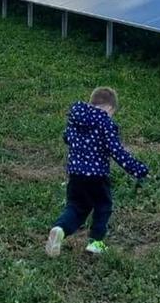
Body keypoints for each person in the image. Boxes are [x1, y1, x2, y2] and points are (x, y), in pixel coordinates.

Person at [45, 87, 149, 256]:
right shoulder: (105, 123)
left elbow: (66, 137)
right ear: (109, 108)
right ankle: (96, 242)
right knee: (103, 206)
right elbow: (117, 151)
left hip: (76, 175)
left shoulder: (76, 119)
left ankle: (60, 229)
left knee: (76, 207)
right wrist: (139, 170)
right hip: (97, 176)